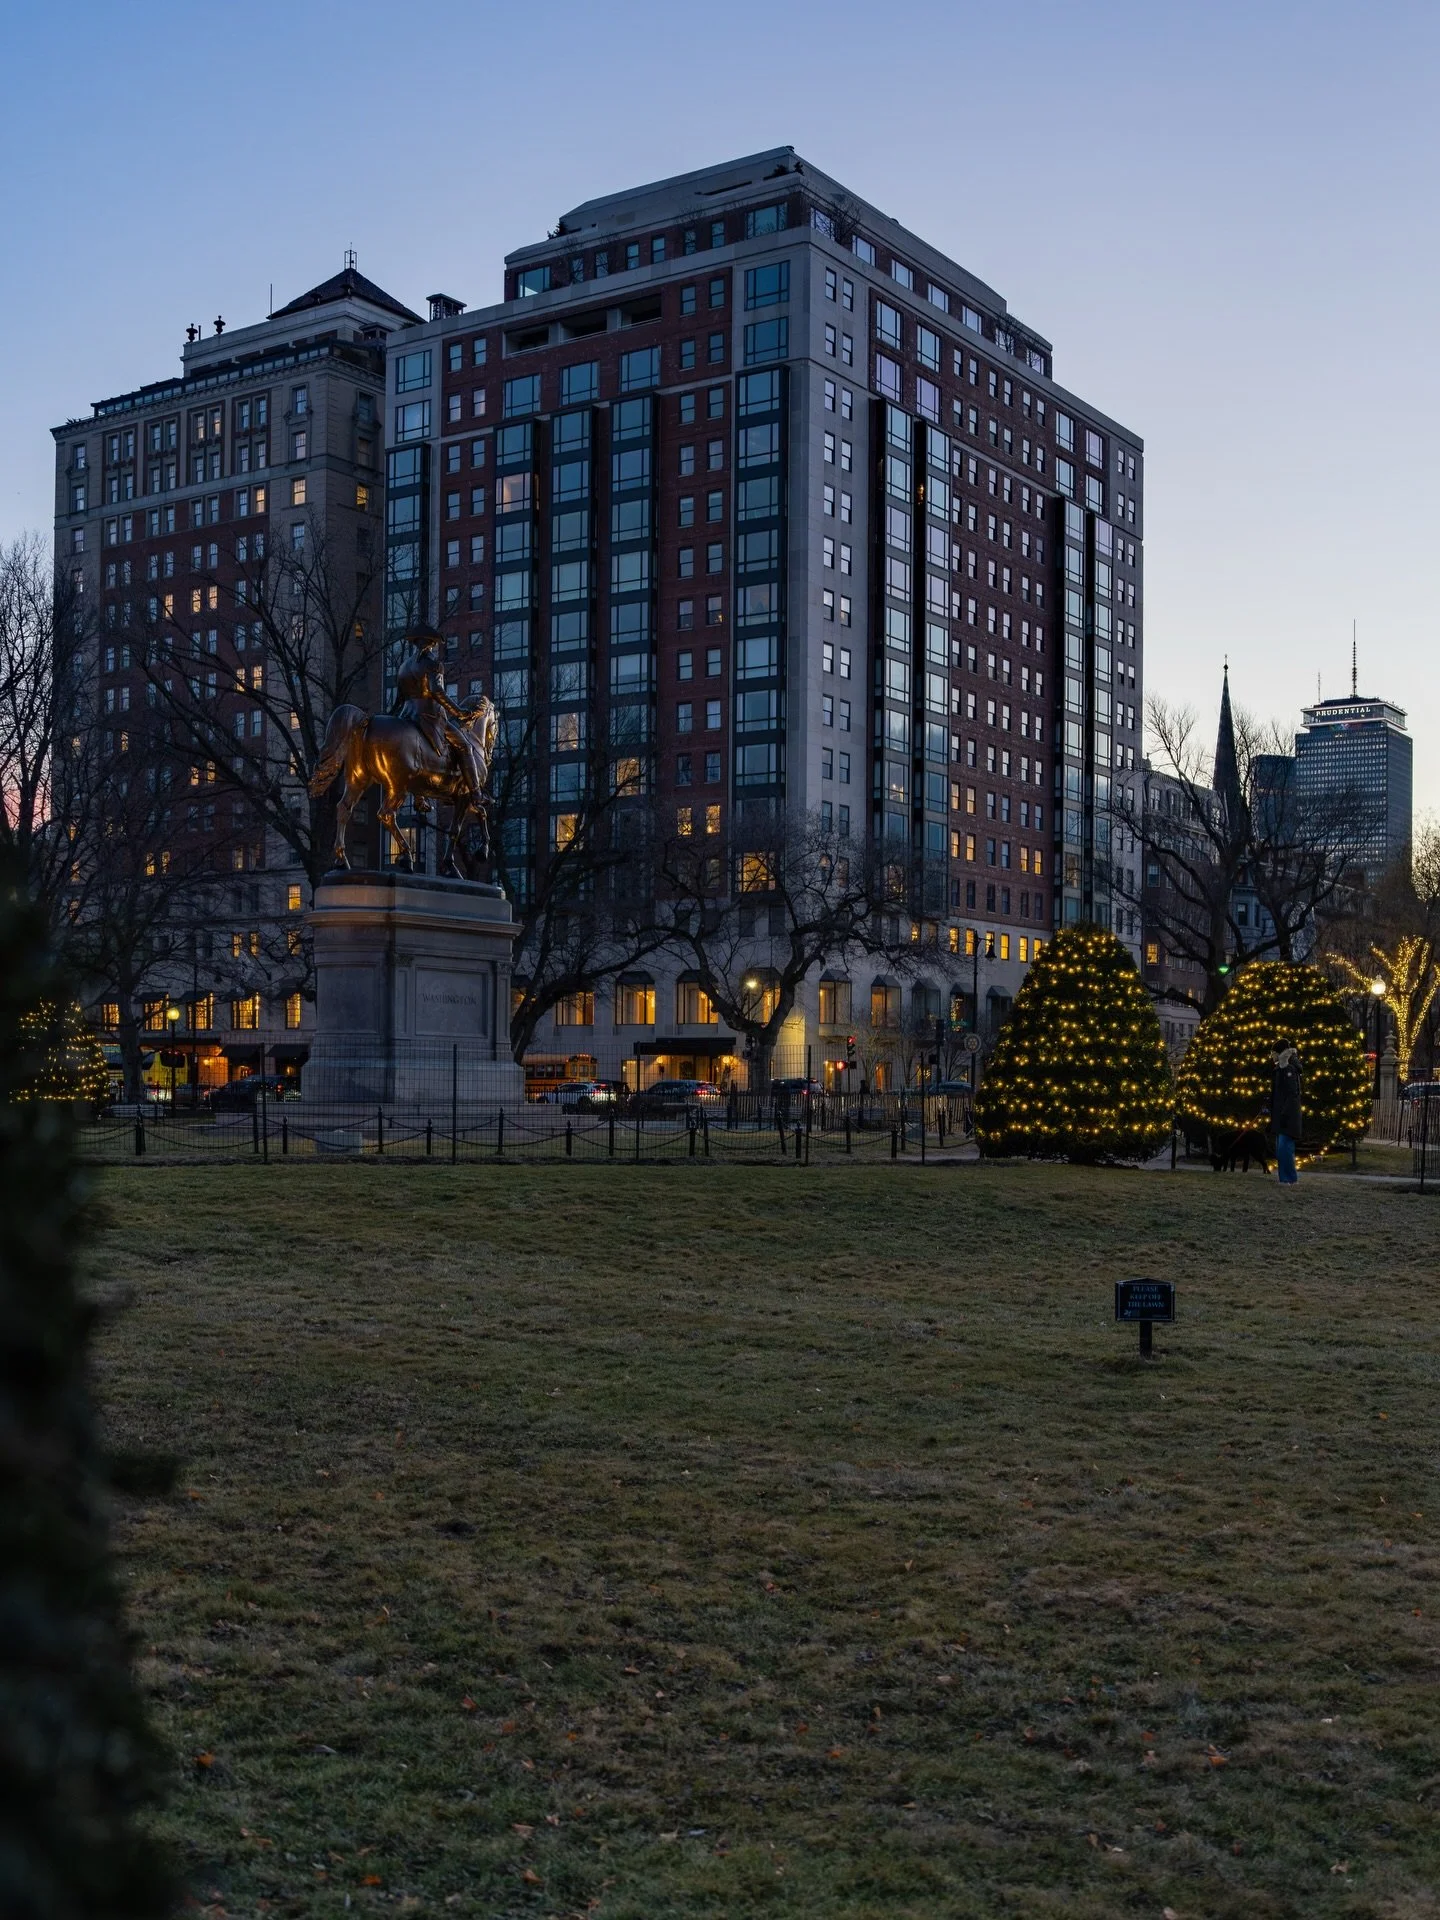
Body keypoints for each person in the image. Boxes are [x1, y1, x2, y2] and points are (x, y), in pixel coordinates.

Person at [392, 627, 485, 807]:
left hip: (406, 715)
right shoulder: (433, 664)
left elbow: (400, 697)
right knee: (465, 746)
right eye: (434, 644)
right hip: (429, 716)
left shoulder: (404, 666)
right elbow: (437, 692)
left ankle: (419, 796)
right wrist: (459, 712)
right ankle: (476, 793)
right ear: (431, 644)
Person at [1271, 1044, 1303, 1185]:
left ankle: (1288, 1178)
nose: (1271, 1056)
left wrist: (1284, 1113)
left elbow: (1292, 1094)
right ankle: (1285, 1177)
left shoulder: (1288, 1069)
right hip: (1282, 1115)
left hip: (1287, 1117)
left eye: (1273, 1053)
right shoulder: (1280, 1069)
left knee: (1284, 1148)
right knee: (1282, 1149)